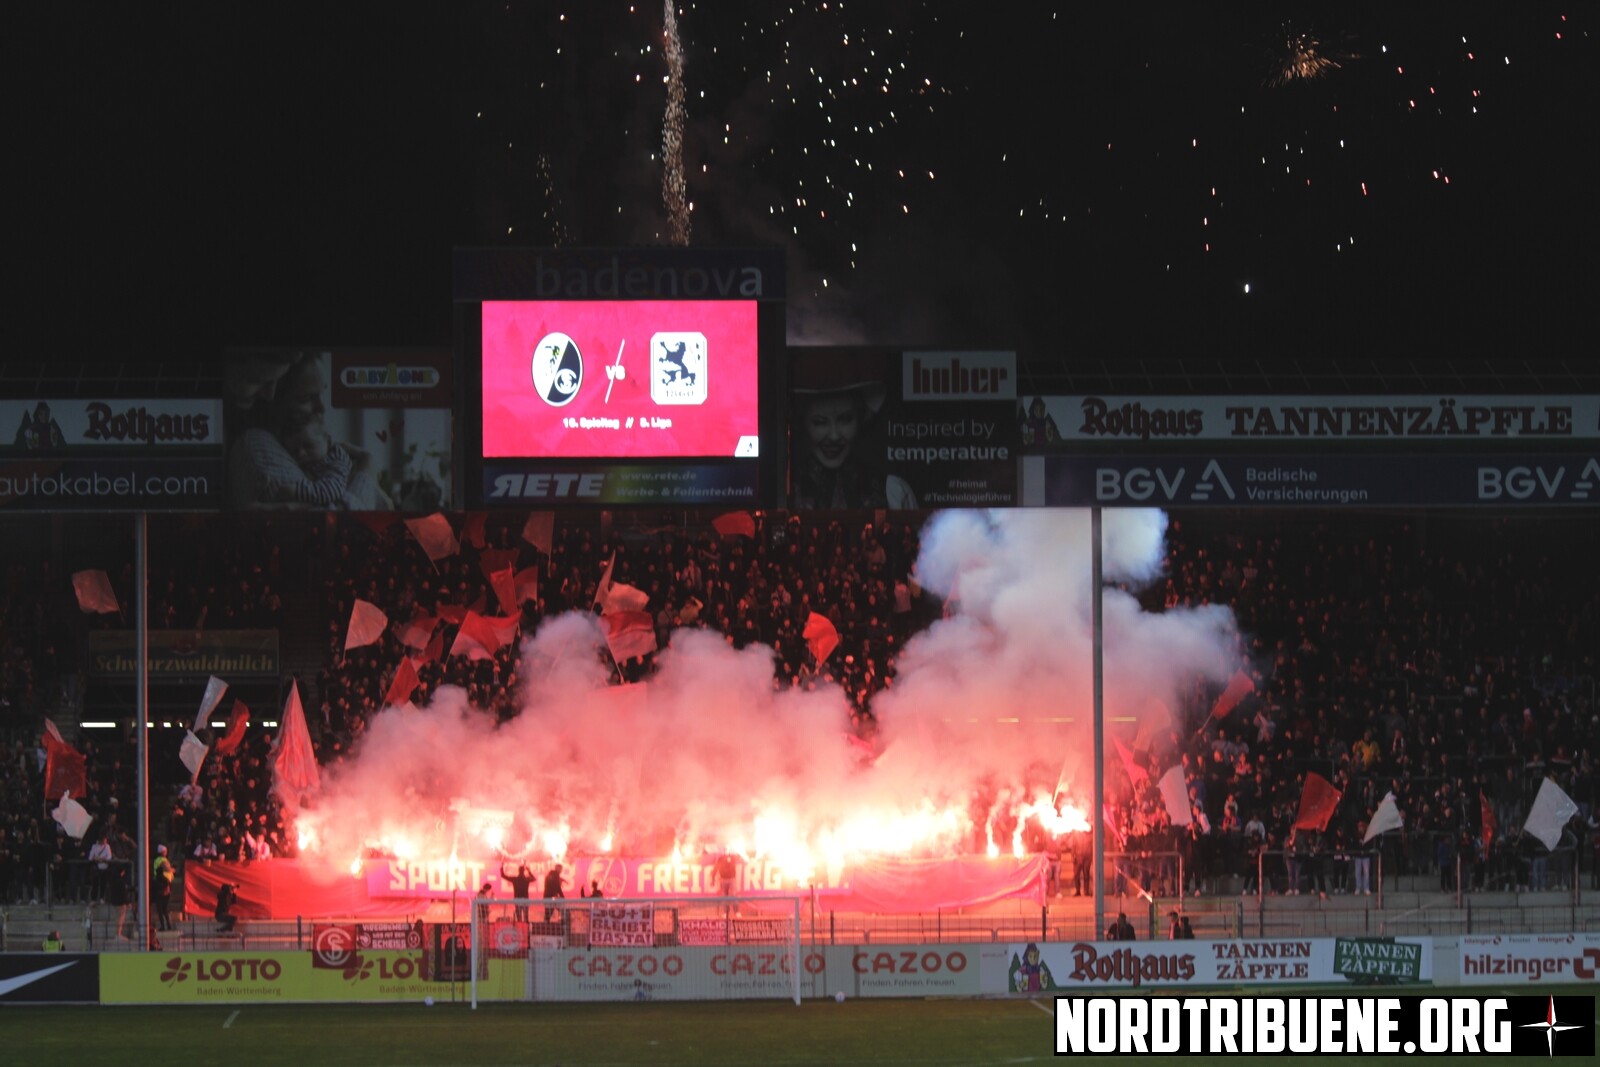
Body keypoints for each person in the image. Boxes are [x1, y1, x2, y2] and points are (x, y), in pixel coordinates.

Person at [228, 352, 385, 510]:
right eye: (306, 398)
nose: (322, 407)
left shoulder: (326, 452)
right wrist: (367, 471)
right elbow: (335, 517)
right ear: (275, 401)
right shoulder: (258, 443)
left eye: (321, 393)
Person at [790, 379, 916, 509]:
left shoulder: (891, 490)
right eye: (820, 422)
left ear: (860, 419)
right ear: (802, 423)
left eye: (845, 419)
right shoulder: (786, 490)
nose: (834, 436)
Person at [152, 844, 175, 932]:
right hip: (163, 886)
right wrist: (173, 870)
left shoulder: (157, 860)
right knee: (164, 909)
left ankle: (164, 925)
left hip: (159, 885)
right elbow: (167, 869)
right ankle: (168, 925)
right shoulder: (162, 860)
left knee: (161, 909)